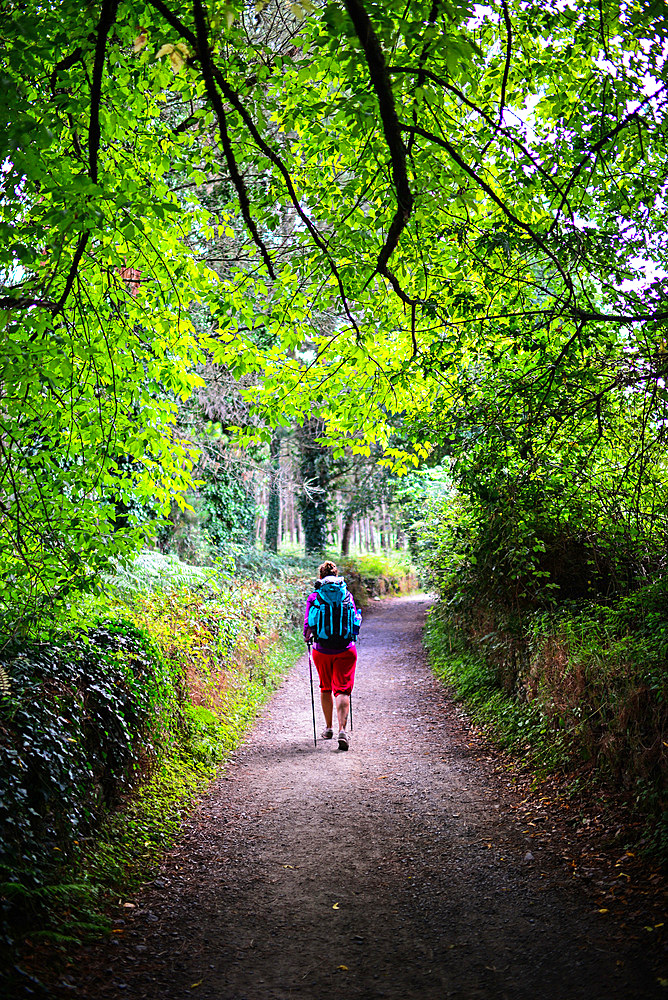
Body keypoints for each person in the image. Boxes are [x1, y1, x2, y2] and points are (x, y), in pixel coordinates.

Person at [304, 560, 361, 751]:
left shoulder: (314, 597)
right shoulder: (347, 595)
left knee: (325, 687)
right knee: (343, 689)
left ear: (320, 577)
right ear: (337, 577)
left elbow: (308, 626)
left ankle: (328, 728)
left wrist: (307, 638)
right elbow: (354, 620)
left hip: (322, 650)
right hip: (346, 649)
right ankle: (342, 730)